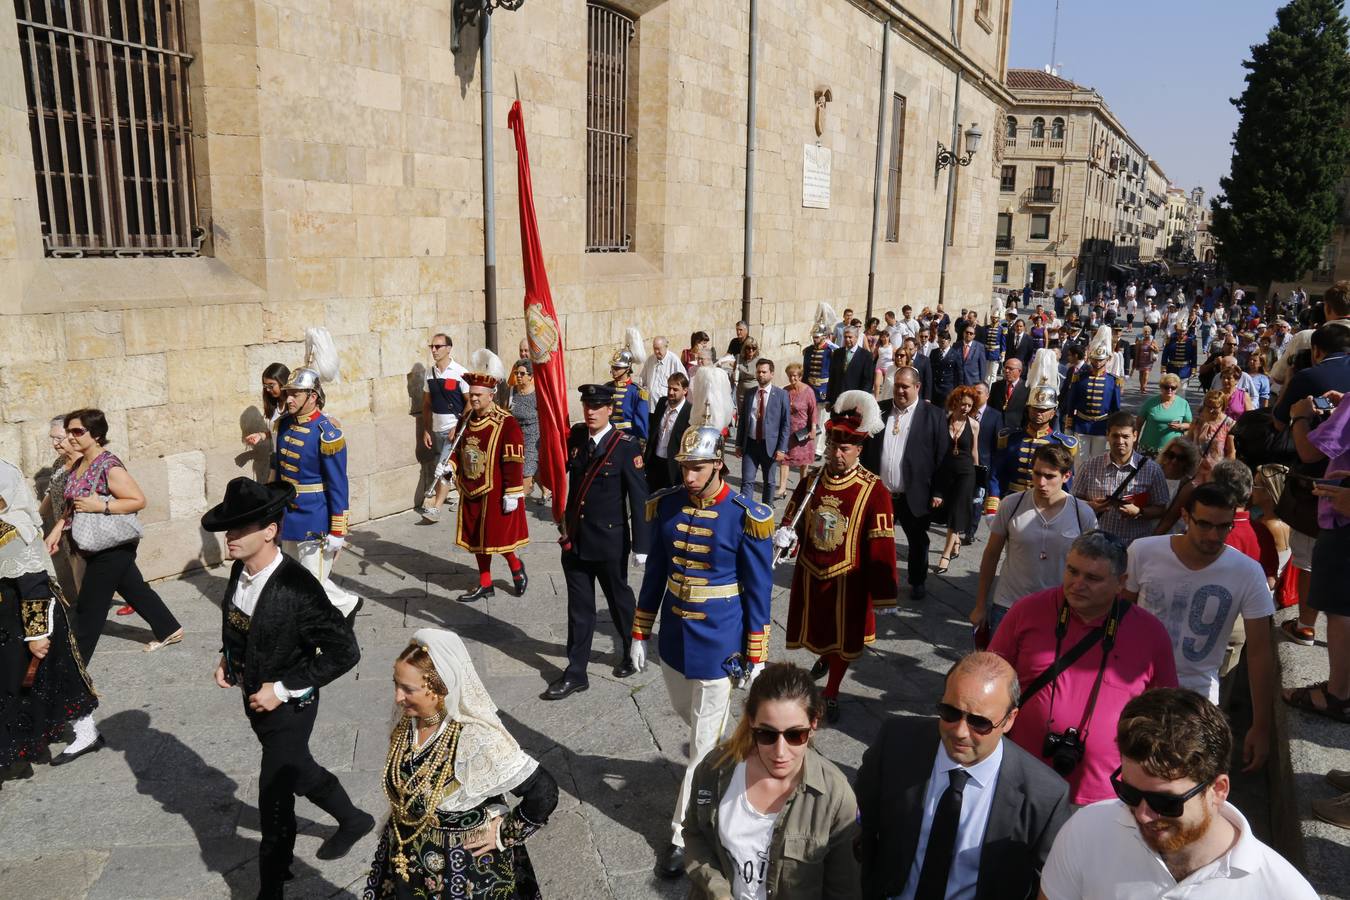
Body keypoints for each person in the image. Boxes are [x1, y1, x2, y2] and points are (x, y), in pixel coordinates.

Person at [630, 366, 774, 880]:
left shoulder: (745, 515)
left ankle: (678, 836)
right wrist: (640, 631)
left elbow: (758, 592)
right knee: (693, 728)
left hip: (720, 646)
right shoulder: (666, 508)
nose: (686, 476)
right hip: (676, 641)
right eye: (683, 466)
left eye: (696, 467)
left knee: (702, 746)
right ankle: (724, 766)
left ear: (718, 465)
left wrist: (755, 654)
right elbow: (655, 579)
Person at [203, 478, 371, 898]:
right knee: (299, 769)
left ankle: (272, 884)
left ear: (270, 531)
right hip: (254, 698)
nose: (231, 537)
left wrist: (283, 687)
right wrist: (228, 655)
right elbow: (237, 619)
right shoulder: (241, 568)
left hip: (290, 705)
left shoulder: (297, 587)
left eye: (241, 529)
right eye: (229, 528)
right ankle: (353, 818)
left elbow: (344, 651)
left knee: (274, 796)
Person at [1039, 688, 1319, 899]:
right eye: (1130, 793)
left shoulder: (1284, 892)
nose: (1143, 814)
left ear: (1218, 790)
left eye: (1165, 801)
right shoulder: (1087, 831)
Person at [856, 652, 1071, 900]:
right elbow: (864, 821)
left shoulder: (1045, 796)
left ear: (1010, 719)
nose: (959, 731)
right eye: (950, 712)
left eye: (979, 723)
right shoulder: (896, 742)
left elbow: (1049, 884)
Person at [989, 532, 1178, 805]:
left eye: (1092, 578)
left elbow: (1166, 715)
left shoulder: (1151, 634)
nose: (1077, 584)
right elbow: (990, 678)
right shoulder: (1026, 611)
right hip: (1019, 783)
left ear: (1121, 583)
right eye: (1072, 571)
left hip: (1100, 796)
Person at [366, 630, 559, 898]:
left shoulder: (474, 738)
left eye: (408, 689)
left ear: (439, 688)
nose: (398, 696)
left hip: (463, 867)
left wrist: (505, 834)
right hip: (407, 856)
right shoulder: (407, 720)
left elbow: (543, 791)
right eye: (396, 684)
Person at [45, 409, 183, 765]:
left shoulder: (109, 466)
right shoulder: (77, 465)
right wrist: (59, 529)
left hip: (113, 548)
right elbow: (72, 505)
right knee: (128, 593)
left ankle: (69, 692)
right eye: (70, 431)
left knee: (87, 618)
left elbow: (137, 501)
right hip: (93, 546)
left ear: (95, 434)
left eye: (77, 432)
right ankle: (169, 627)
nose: (71, 437)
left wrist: (102, 504)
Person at [1123, 483, 1276, 771]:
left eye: (1223, 527)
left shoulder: (1248, 572)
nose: (1213, 535)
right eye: (1204, 524)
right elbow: (1118, 618)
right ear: (1185, 516)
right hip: (1133, 688)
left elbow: (1260, 652)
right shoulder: (1143, 552)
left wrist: (1261, 726)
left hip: (1197, 699)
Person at [683, 663, 860, 899]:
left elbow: (843, 890)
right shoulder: (715, 768)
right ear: (751, 723)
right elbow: (695, 834)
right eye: (766, 734)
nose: (780, 752)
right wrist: (718, 891)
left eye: (795, 735)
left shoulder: (835, 797)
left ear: (814, 725)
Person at [778, 390, 897, 723]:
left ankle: (831, 690)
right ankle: (826, 660)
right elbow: (795, 518)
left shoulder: (874, 490)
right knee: (817, 633)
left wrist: (884, 594)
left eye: (844, 448)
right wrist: (786, 535)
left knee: (843, 640)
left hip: (849, 579)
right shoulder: (813, 481)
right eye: (832, 446)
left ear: (859, 449)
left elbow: (882, 543)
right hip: (812, 570)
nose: (836, 454)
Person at [545, 383, 649, 700]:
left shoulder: (626, 445)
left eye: (596, 406)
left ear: (609, 410)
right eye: (586, 406)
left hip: (609, 542)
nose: (590, 411)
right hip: (575, 541)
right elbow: (555, 457)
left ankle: (632, 650)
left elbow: (640, 498)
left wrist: (641, 546)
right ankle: (576, 672)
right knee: (580, 610)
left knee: (620, 601)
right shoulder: (576, 438)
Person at [0, 457, 97, 780]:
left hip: (28, 618)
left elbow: (32, 584)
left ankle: (79, 734)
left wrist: (37, 633)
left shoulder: (13, 530)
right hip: (8, 620)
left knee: (48, 674)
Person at [971, 445, 1096, 635]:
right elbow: (991, 555)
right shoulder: (1011, 504)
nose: (1041, 482)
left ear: (1066, 476)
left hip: (1059, 610)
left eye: (1049, 476)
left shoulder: (1082, 513)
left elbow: (1093, 566)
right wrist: (981, 605)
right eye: (1037, 474)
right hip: (1009, 605)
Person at [271, 366, 362, 619]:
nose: (288, 399)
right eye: (288, 393)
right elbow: (280, 474)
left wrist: (338, 530)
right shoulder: (285, 425)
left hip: (315, 518)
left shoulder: (328, 434)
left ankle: (341, 610)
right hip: (289, 514)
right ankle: (340, 607)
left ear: (312, 397)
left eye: (296, 394)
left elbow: (338, 485)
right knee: (289, 576)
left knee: (313, 582)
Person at [1283, 389, 1350, 722]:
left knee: (1341, 608)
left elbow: (1308, 452)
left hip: (1344, 522)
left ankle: (1338, 694)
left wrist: (1300, 416)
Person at [862, 366, 949, 601]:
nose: (899, 391)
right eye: (897, 385)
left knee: (918, 539)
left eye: (905, 386)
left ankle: (917, 580)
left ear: (917, 387)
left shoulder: (934, 415)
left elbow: (942, 457)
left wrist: (939, 490)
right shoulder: (879, 411)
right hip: (881, 492)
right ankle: (873, 578)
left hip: (914, 491)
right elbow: (867, 450)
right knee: (875, 538)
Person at [453, 350, 530, 603]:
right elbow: (458, 450)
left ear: (490, 396)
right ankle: (485, 582)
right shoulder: (466, 418)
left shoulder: (507, 423)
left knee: (500, 539)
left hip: (496, 491)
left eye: (478, 395)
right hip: (470, 487)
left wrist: (513, 492)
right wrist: (449, 468)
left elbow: (513, 460)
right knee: (477, 539)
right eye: (471, 394)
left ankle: (516, 567)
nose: (473, 399)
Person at [990, 349, 1077, 509]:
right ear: (1028, 409)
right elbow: (996, 474)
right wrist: (992, 506)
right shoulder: (1010, 438)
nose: (1039, 413)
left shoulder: (1063, 444)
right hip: (1013, 502)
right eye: (1036, 408)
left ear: (1053, 412)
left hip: (1047, 506)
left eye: (1044, 410)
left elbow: (1067, 484)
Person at [1073, 412, 1169, 546]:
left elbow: (1161, 509)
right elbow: (1073, 503)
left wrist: (1139, 512)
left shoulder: (1152, 470)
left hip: (1134, 546)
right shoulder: (1089, 466)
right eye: (1115, 436)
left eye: (1125, 436)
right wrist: (1090, 506)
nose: (1120, 441)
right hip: (1097, 545)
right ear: (1107, 435)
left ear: (1135, 436)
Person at [418, 334, 468, 522]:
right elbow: (426, 403)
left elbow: (470, 402)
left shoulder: (460, 372)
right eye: (432, 346)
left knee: (444, 467)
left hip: (453, 429)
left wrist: (459, 426)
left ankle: (436, 507)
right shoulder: (429, 373)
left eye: (438, 346)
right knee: (455, 467)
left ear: (449, 348)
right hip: (437, 429)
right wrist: (426, 430)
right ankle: (465, 497)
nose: (434, 350)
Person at [934, 387, 981, 575]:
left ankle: (945, 556)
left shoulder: (974, 425)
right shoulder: (943, 421)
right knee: (946, 510)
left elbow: (974, 451)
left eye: (970, 405)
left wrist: (978, 477)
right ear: (955, 402)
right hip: (946, 472)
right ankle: (956, 541)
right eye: (963, 404)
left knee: (956, 512)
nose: (966, 408)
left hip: (966, 473)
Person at [38, 416, 85, 602]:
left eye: (59, 438)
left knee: (84, 574)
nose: (54, 443)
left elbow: (78, 501)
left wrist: (59, 526)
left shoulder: (85, 464)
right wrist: (37, 518)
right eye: (52, 438)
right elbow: (51, 493)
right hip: (64, 530)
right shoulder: (60, 462)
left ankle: (86, 621)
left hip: (82, 529)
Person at [1063, 326, 1123, 463]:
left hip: (1102, 426)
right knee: (1079, 461)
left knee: (1098, 461)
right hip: (1081, 424)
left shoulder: (1113, 381)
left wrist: (1113, 429)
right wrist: (1069, 427)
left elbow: (1116, 409)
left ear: (1107, 359)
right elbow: (1071, 404)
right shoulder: (1079, 377)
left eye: (1100, 360)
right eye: (1095, 359)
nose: (1097, 363)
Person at [735, 358, 791, 504]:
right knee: (747, 481)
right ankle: (744, 512)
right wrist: (738, 444)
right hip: (751, 445)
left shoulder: (781, 395)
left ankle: (766, 512)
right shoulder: (749, 393)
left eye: (764, 372)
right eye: (758, 371)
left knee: (769, 482)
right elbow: (743, 421)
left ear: (771, 374)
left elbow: (786, 424)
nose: (760, 375)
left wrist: (782, 448)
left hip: (770, 446)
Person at [507, 359, 546, 505]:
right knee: (533, 470)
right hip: (516, 438)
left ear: (531, 376)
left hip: (534, 438)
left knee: (526, 473)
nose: (518, 376)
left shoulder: (538, 396)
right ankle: (547, 490)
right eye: (516, 373)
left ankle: (518, 504)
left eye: (522, 373)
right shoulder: (512, 393)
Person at [644, 371, 691, 493]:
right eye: (669, 388)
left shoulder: (689, 412)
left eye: (675, 389)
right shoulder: (662, 403)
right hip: (654, 463)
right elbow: (653, 432)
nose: (670, 392)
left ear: (685, 391)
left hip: (673, 468)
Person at [779, 363, 817, 497]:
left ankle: (802, 485)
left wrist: (812, 429)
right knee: (784, 459)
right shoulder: (785, 390)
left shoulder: (808, 391)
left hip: (803, 432)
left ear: (800, 376)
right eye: (789, 376)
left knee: (803, 461)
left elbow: (813, 411)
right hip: (787, 431)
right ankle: (782, 487)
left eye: (794, 376)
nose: (792, 378)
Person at [606, 330, 650, 441]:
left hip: (627, 439)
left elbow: (641, 424)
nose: (614, 370)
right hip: (607, 438)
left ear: (628, 368)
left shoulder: (638, 392)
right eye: (613, 367)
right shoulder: (606, 388)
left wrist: (639, 444)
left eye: (617, 368)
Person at [1134, 373, 1191, 456]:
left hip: (1172, 450)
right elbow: (1137, 425)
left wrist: (1181, 426)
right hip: (1148, 449)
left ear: (1177, 388)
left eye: (1173, 387)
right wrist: (1134, 444)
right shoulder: (1151, 402)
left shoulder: (1183, 403)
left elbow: (1191, 424)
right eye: (1166, 387)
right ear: (1161, 387)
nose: (1170, 390)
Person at [1186, 390, 1237, 482]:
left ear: (1223, 407)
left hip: (1216, 473)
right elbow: (1188, 441)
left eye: (1215, 407)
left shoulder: (1229, 424)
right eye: (1208, 407)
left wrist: (1226, 473)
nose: (1211, 410)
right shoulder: (1198, 421)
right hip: (1195, 471)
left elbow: (1231, 452)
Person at [244, 362, 293, 451]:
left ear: (283, 382)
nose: (267, 389)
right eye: (265, 386)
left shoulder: (294, 405)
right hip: (276, 457)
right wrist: (261, 435)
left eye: (271, 385)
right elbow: (278, 432)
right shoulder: (275, 405)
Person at [827, 325, 875, 408]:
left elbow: (868, 381)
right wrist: (828, 399)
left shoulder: (866, 356)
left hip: (854, 401)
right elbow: (832, 377)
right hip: (837, 400)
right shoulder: (837, 353)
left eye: (850, 337)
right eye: (845, 337)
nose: (847, 339)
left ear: (856, 337)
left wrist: (861, 402)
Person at [641, 335, 688, 414]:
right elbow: (642, 380)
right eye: (655, 348)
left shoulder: (673, 360)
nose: (656, 352)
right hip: (650, 407)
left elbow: (684, 381)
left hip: (666, 408)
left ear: (666, 347)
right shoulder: (650, 360)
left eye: (659, 349)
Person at [990, 357, 1028, 430]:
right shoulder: (996, 386)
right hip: (997, 428)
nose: (1007, 371)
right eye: (1006, 368)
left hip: (1016, 429)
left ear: (1019, 371)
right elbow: (991, 407)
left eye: (1010, 369)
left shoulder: (1026, 388)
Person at [952, 321, 990, 387]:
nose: (968, 334)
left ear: (974, 336)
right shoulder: (956, 346)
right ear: (963, 333)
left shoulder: (980, 347)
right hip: (958, 382)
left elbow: (982, 366)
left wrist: (981, 382)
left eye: (971, 333)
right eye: (967, 332)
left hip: (973, 382)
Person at [928, 330, 958, 409]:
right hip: (935, 389)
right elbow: (931, 371)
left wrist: (957, 391)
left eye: (942, 342)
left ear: (948, 341)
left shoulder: (955, 354)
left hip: (947, 389)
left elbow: (959, 374)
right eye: (939, 342)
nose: (940, 344)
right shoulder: (934, 353)